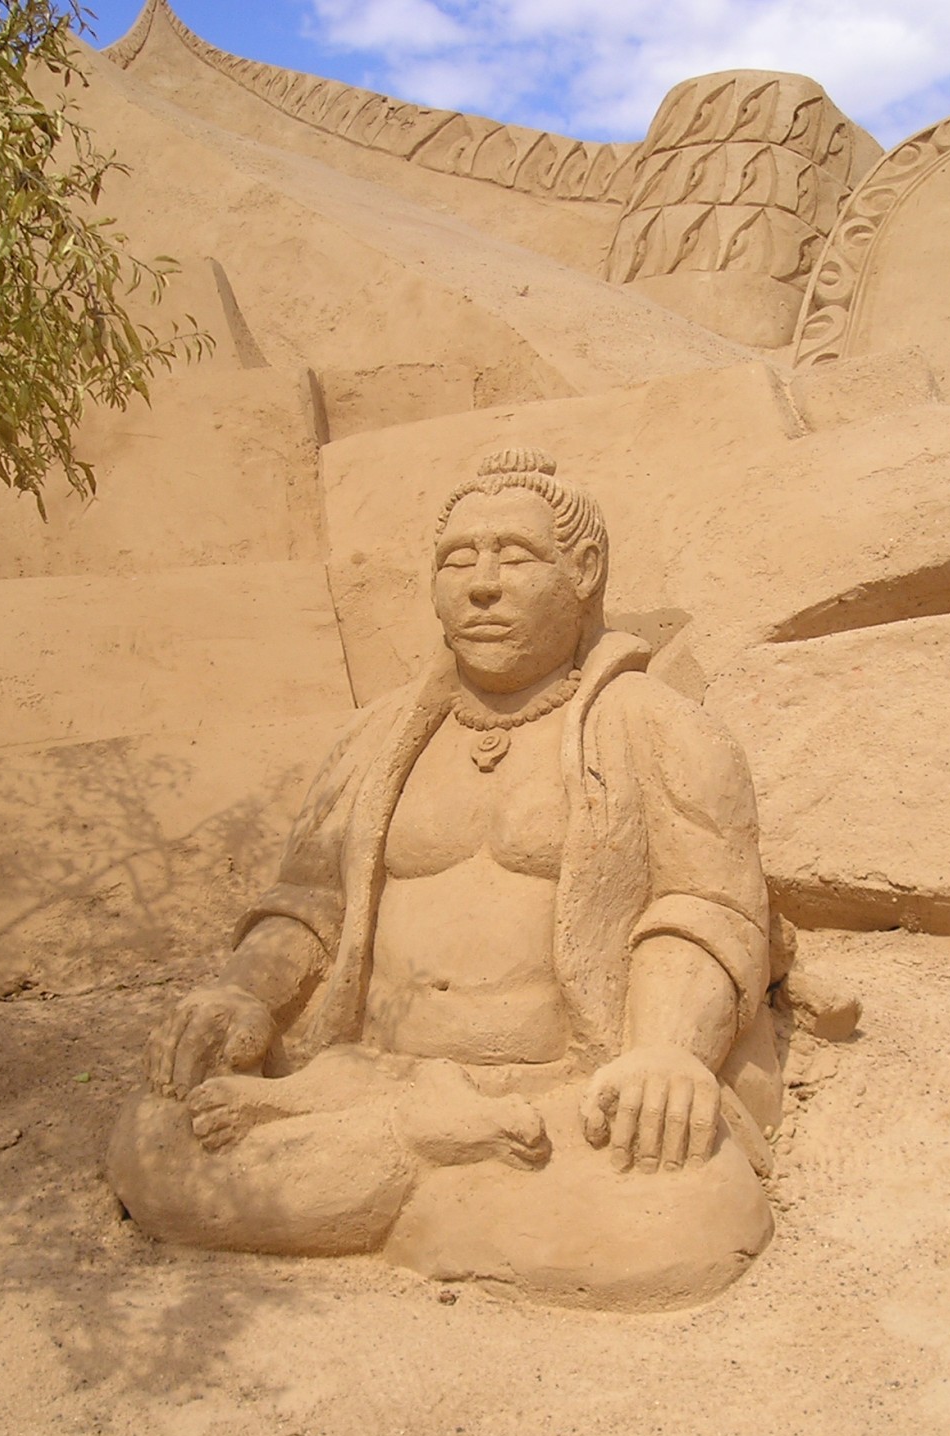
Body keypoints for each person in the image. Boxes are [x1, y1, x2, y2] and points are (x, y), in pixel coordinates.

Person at [109, 448, 779, 1306]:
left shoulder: (659, 728)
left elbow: (702, 910)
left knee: (680, 1215)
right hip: (360, 1079)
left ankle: (401, 1182)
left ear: (582, 570)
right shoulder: (375, 738)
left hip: (557, 1099)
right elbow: (308, 903)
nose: (483, 585)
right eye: (458, 561)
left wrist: (664, 1054)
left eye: (515, 557)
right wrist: (243, 993)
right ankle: (430, 1171)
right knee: (156, 1142)